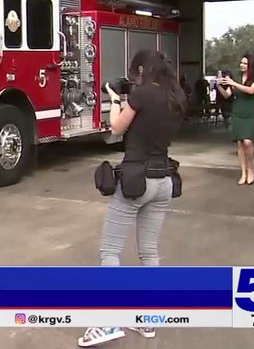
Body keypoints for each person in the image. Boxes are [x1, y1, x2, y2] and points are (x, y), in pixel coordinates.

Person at [76, 50, 185, 347]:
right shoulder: (175, 97)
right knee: (149, 253)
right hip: (163, 180)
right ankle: (149, 322)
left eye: (135, 72)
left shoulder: (141, 96)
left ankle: (107, 323)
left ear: (141, 69)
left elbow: (116, 127)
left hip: (137, 181)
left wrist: (114, 99)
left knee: (109, 252)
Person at [216, 53, 254, 185]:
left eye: (245, 64)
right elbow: (227, 95)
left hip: (252, 112)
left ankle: (250, 169)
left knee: (247, 141)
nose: (242, 65)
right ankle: (243, 172)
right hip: (237, 111)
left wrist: (233, 83)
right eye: (241, 63)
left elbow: (251, 91)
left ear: (251, 65)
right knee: (240, 143)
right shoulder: (236, 77)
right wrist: (219, 85)